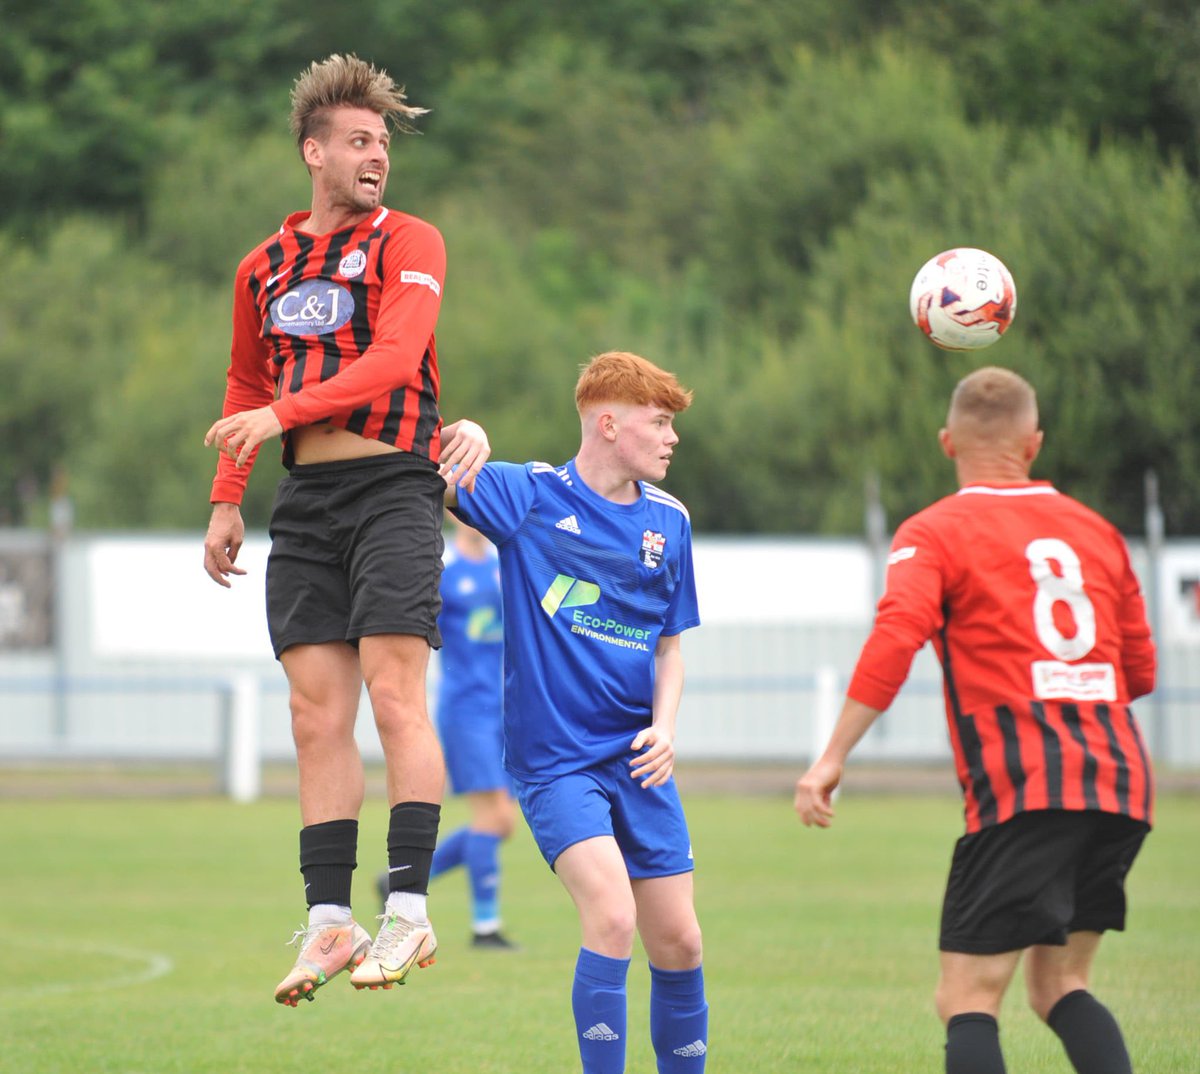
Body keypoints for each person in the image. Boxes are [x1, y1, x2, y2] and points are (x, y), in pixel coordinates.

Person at [201, 53, 490, 1008]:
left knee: (395, 695)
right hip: (306, 502)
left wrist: (279, 417)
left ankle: (409, 906)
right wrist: (227, 497)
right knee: (314, 716)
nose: (378, 157)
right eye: (359, 141)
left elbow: (398, 357)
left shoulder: (410, 239)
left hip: (394, 486)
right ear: (312, 152)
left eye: (384, 144)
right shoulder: (262, 266)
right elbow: (247, 383)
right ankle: (331, 920)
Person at [794, 367, 1156, 1074]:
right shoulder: (1098, 531)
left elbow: (896, 638)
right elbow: (1139, 672)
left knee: (966, 996)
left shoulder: (935, 532)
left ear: (947, 443)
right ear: (1034, 443)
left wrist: (831, 755)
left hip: (1024, 785)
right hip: (1119, 782)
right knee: (1060, 986)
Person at [445, 351, 709, 1073]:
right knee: (614, 917)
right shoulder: (528, 495)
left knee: (681, 943)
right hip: (557, 761)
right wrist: (463, 434)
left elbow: (670, 650)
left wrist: (666, 727)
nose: (672, 438)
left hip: (639, 760)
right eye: (660, 422)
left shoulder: (670, 522)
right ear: (608, 424)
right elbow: (423, 463)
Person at [376, 515, 520, 949]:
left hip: (506, 709)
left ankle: (396, 882)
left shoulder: (503, 565)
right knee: (491, 818)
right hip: (467, 709)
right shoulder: (444, 571)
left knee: (503, 822)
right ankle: (485, 927)